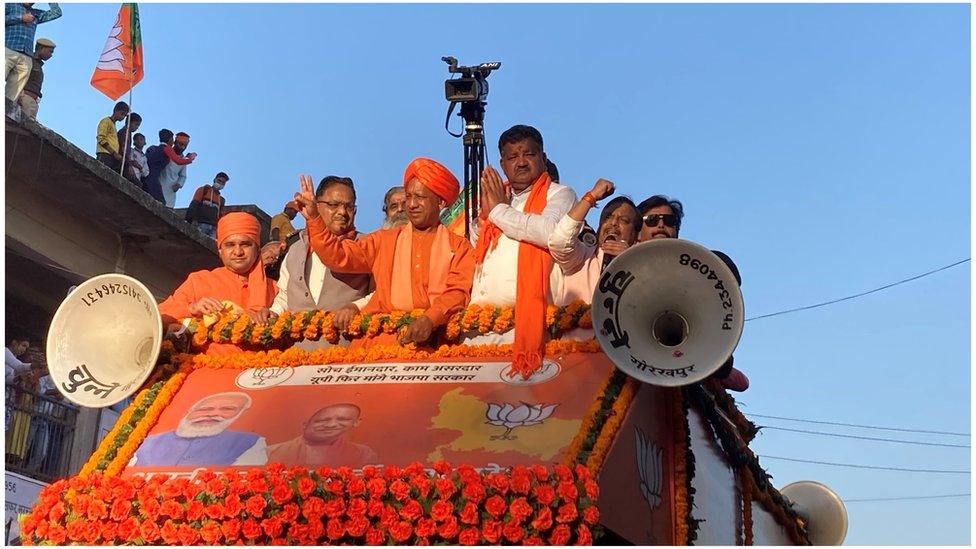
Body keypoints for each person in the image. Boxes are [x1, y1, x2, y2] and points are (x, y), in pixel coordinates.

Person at [295, 158, 476, 345]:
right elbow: (338, 256)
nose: (411, 204)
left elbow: (457, 292)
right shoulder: (384, 240)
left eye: (420, 197)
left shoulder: (459, 247)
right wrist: (315, 218)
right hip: (381, 341)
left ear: (440, 202)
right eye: (409, 196)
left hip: (436, 342)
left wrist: (430, 319)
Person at [469, 124, 576, 377]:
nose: (521, 162)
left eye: (528, 154)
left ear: (543, 158)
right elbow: (478, 246)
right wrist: (484, 216)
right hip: (477, 329)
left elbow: (549, 231)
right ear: (503, 164)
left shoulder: (560, 194)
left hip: (527, 329)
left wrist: (497, 211)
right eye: (512, 157)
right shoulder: (497, 195)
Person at [634, 194, 750, 392]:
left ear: (676, 232)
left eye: (669, 221)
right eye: (652, 220)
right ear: (637, 232)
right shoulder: (619, 262)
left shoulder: (693, 266)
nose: (661, 225)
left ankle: (718, 367)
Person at [158, 212, 277, 353]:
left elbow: (294, 333)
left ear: (257, 249)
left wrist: (274, 322)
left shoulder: (275, 288)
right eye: (230, 245)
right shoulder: (199, 280)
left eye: (245, 244)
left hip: (262, 371)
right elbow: (157, 316)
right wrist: (192, 308)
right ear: (220, 250)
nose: (238, 252)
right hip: (204, 369)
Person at [271, 176, 372, 329]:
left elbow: (380, 293)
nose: (342, 212)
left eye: (349, 207)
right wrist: (273, 313)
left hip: (348, 346)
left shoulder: (366, 245)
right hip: (298, 348)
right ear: (316, 206)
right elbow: (285, 295)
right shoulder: (296, 248)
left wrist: (355, 307)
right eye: (334, 205)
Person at [548, 179, 641, 304]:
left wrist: (631, 259)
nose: (613, 223)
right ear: (598, 228)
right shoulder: (582, 256)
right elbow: (559, 241)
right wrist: (591, 197)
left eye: (623, 220)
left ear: (636, 235)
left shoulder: (642, 267)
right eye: (608, 217)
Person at [130, 392, 266, 467]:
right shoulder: (147, 442)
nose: (212, 414)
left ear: (240, 414)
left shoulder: (249, 442)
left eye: (227, 409)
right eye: (204, 409)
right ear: (187, 413)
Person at [266, 404, 378, 467]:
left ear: (356, 422)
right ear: (305, 424)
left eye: (343, 419)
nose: (332, 425)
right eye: (322, 420)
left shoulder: (363, 453)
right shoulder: (273, 452)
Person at [4, 3, 61, 109]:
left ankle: (6, 110)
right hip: (9, 48)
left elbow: (56, 13)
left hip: (26, 54)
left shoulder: (35, 14)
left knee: (15, 88)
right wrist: (21, 18)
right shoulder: (10, 6)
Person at [16, 37, 53, 120]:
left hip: (31, 101)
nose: (51, 55)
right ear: (41, 48)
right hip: (24, 98)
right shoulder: (28, 60)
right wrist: (20, 96)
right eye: (50, 51)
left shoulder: (38, 65)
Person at [185, 172, 228, 238]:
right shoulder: (203, 190)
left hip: (213, 228)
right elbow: (193, 205)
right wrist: (188, 221)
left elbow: (219, 216)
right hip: (201, 224)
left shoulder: (221, 200)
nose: (220, 184)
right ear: (214, 180)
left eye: (223, 183)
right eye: (219, 181)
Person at [159, 131, 195, 207]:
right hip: (159, 183)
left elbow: (183, 176)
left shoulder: (183, 159)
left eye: (185, 146)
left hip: (171, 190)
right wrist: (190, 159)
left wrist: (179, 184)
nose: (183, 148)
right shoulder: (166, 151)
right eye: (181, 144)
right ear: (175, 142)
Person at [95, 101, 129, 171]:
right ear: (115, 110)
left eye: (125, 116)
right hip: (105, 154)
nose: (123, 117)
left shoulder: (113, 125)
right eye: (122, 113)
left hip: (111, 156)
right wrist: (114, 153)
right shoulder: (106, 121)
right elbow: (101, 139)